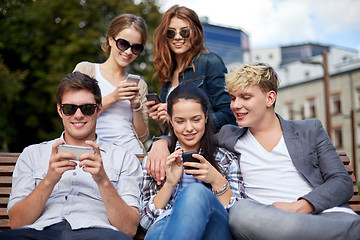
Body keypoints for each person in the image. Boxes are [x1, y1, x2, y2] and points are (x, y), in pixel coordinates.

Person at [215, 62, 360, 239]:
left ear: (270, 98)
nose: (235, 105)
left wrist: (300, 206)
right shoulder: (227, 136)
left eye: (245, 97)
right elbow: (188, 137)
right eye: (233, 98)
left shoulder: (309, 130)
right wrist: (169, 140)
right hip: (264, 221)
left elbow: (341, 182)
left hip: (324, 217)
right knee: (239, 212)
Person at [0, 72, 142, 240]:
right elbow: (17, 222)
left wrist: (103, 180)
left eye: (87, 108)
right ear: (60, 110)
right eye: (70, 108)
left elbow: (129, 229)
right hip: (40, 233)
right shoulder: (33, 154)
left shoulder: (124, 158)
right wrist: (49, 180)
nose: (78, 115)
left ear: (99, 109)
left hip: (98, 234)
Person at [140, 83, 245, 240]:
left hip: (214, 224)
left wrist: (216, 180)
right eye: (180, 121)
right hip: (165, 222)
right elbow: (145, 221)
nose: (189, 128)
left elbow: (238, 217)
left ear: (206, 117)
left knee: (194, 192)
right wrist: (169, 184)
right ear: (170, 121)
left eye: (196, 120)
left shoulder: (225, 158)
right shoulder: (156, 159)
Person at [146, 4, 236, 184]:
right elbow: (176, 126)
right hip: (180, 154)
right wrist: (165, 118)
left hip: (209, 154)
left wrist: (196, 120)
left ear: (195, 32)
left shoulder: (209, 61)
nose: (177, 37)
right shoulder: (168, 73)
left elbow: (229, 114)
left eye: (184, 32)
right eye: (171, 33)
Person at [74, 13, 149, 154]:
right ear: (110, 40)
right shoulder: (86, 70)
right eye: (123, 44)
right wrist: (114, 97)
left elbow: (143, 136)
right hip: (92, 153)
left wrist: (136, 106)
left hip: (132, 155)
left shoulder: (140, 84)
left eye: (136, 47)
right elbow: (74, 112)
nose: (128, 52)